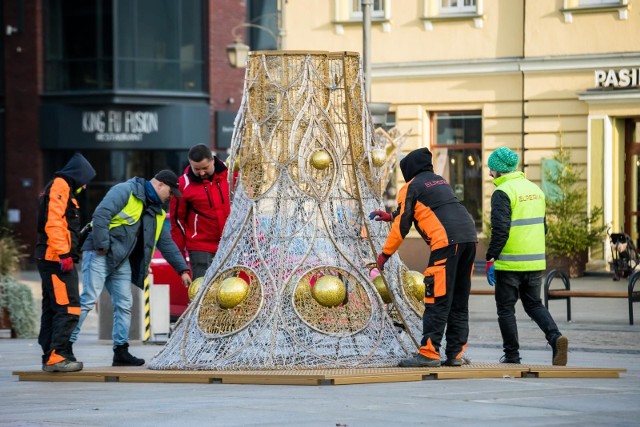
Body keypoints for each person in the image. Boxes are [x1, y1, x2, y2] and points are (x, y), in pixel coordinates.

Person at [70, 170, 192, 366]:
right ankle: (63, 348)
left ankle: (121, 351)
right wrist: (102, 246)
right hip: (99, 252)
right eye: (170, 192)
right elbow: (102, 215)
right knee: (88, 299)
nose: (170, 197)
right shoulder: (125, 191)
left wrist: (182, 269)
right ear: (160, 184)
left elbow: (165, 242)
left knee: (125, 304)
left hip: (120, 259)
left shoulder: (156, 212)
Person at [372, 147, 477, 367]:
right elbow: (425, 209)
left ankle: (429, 353)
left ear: (409, 170)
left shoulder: (410, 187)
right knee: (459, 300)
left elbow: (402, 227)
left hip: (446, 243)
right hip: (469, 238)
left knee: (437, 298)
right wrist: (391, 215)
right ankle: (455, 354)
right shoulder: (440, 181)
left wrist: (384, 255)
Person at [485, 146, 568, 366]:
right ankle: (555, 337)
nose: (489, 174)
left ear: (498, 170)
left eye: (490, 169)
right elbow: (544, 228)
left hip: (510, 263)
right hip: (535, 261)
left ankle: (512, 355)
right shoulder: (535, 190)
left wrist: (491, 257)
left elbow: (500, 230)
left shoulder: (502, 192)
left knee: (505, 309)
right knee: (534, 305)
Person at [35, 153, 96, 372]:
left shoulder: (61, 188)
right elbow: (54, 223)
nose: (85, 186)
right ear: (78, 176)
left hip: (51, 258)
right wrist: (64, 255)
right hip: (56, 260)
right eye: (85, 180)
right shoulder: (60, 186)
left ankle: (52, 354)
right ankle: (57, 356)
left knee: (52, 309)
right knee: (68, 306)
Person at [170, 144, 231, 279]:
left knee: (229, 295)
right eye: (196, 169)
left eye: (205, 168)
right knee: (202, 294)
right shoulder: (183, 185)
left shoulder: (231, 175)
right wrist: (180, 261)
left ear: (212, 161)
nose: (202, 173)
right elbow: (177, 222)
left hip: (230, 245)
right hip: (200, 248)